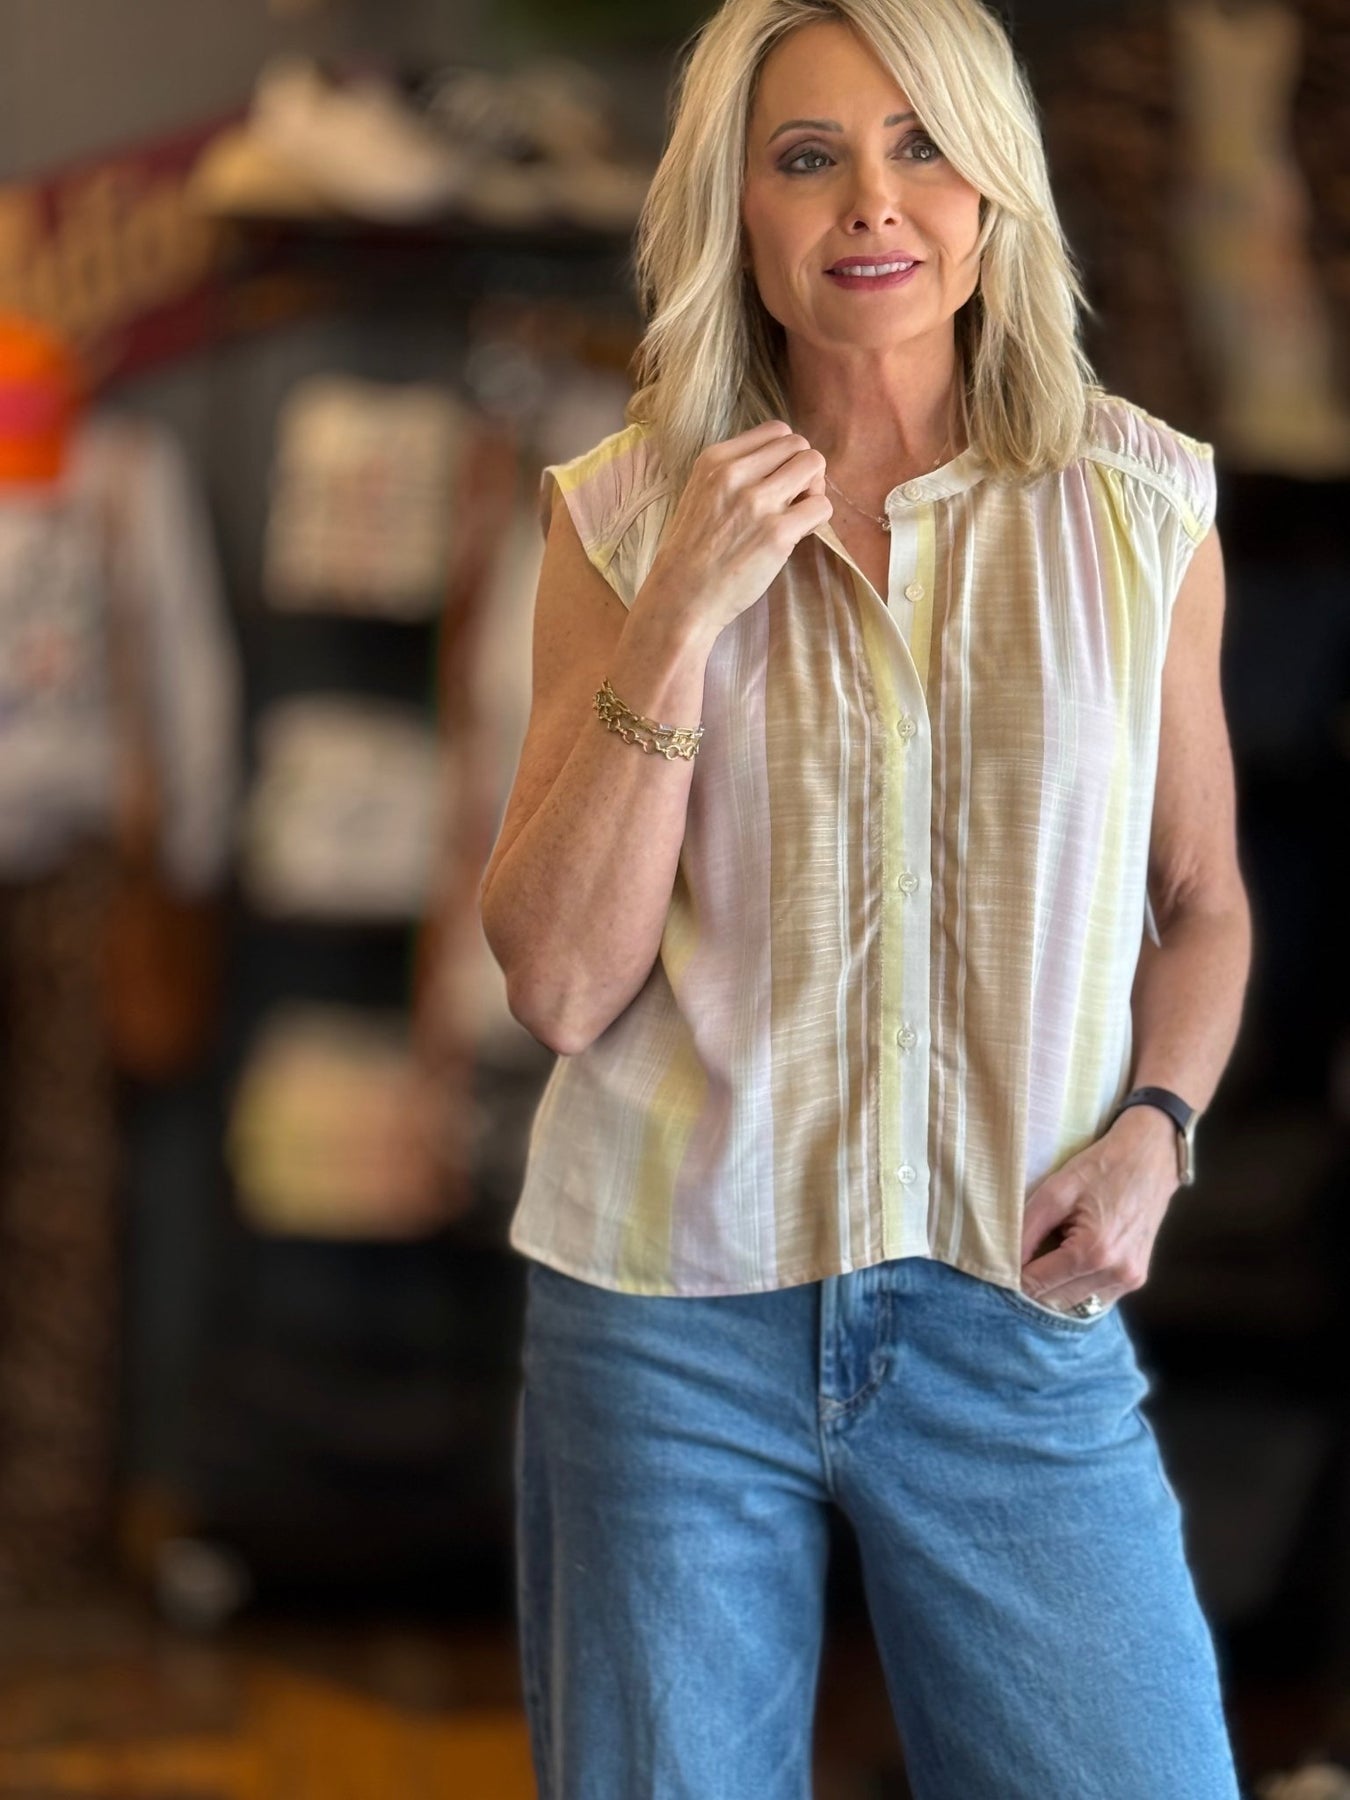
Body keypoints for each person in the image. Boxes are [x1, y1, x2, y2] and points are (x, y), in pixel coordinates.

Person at [480, 0, 1251, 1793]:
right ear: (737, 213)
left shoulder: (1136, 508)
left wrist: (1155, 1133)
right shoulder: (623, 517)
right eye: (807, 157)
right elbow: (561, 987)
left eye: (920, 147)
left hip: (1013, 1299)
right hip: (670, 1320)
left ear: (992, 191)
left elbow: (1201, 897)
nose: (870, 202)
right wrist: (680, 612)